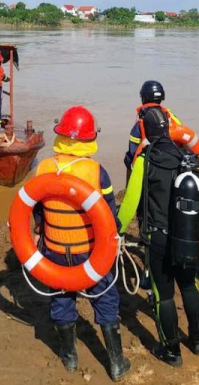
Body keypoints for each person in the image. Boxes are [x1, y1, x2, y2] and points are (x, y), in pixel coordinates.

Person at [32, 106, 131, 382]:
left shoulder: (44, 167)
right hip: (89, 252)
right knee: (105, 298)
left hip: (55, 251)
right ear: (89, 139)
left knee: (61, 297)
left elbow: (35, 206)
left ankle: (70, 358)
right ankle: (116, 363)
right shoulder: (97, 172)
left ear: (61, 135)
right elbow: (109, 215)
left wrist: (39, 230)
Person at [127, 106, 199, 367]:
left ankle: (171, 352)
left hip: (157, 237)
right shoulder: (189, 158)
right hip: (187, 235)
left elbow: (130, 201)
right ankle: (197, 341)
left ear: (146, 131)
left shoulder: (144, 160)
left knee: (164, 296)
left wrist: (116, 228)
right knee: (189, 286)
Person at [125, 81, 199, 178]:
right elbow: (186, 141)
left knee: (128, 159)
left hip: (153, 167)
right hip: (175, 165)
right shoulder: (173, 118)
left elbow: (133, 156)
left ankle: (129, 188)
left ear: (143, 97)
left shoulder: (140, 124)